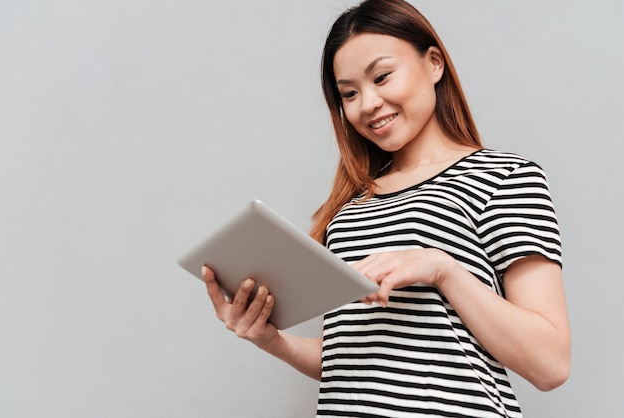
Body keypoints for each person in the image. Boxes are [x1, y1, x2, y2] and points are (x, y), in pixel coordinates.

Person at [203, 0, 571, 416]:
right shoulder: (348, 210)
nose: (368, 103)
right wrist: (270, 339)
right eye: (349, 93)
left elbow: (551, 364)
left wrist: (442, 268)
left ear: (434, 64)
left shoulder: (506, 177)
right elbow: (356, 362)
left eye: (381, 77)